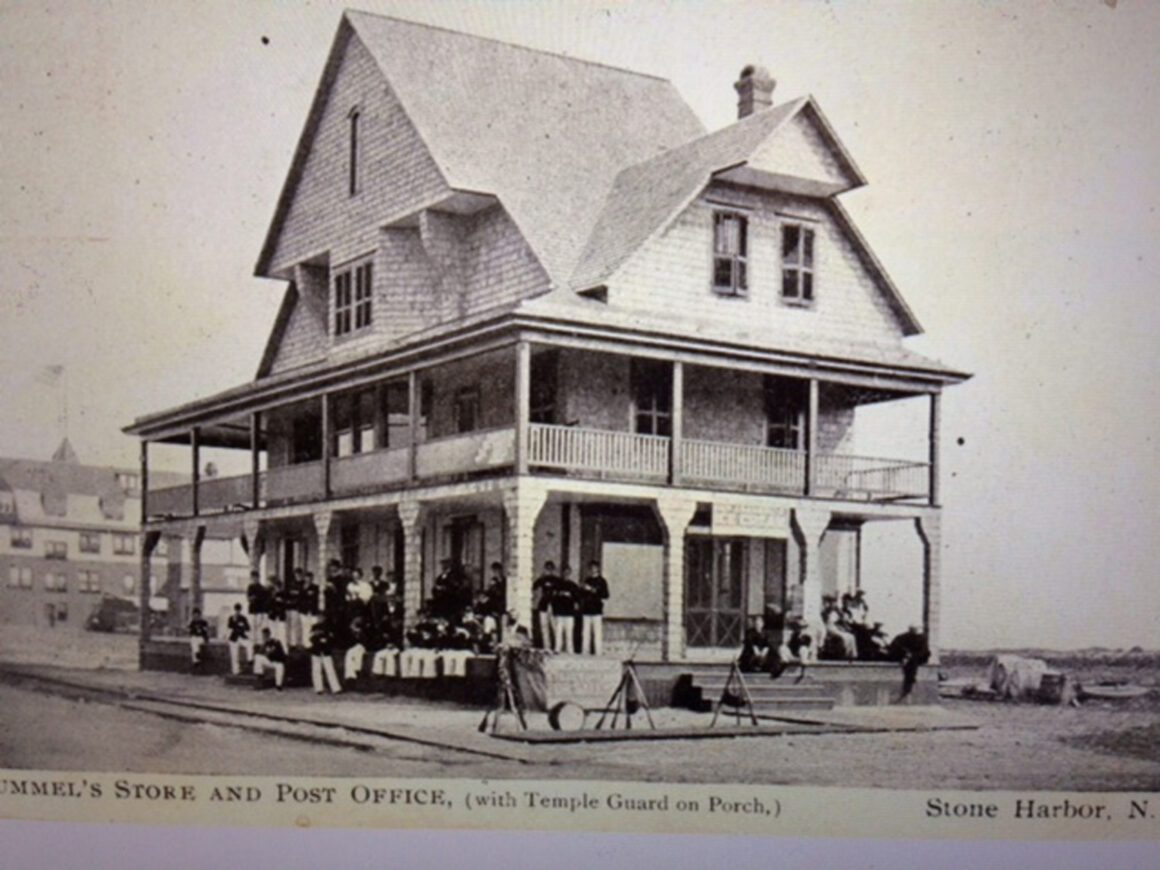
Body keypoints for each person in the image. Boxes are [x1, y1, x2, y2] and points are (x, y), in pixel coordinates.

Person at [888, 624, 931, 701]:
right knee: (910, 663)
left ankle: (909, 684)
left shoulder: (922, 638)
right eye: (912, 629)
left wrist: (912, 655)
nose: (914, 631)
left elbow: (924, 651)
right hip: (906, 657)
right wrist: (905, 654)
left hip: (917, 658)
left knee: (913, 662)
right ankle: (908, 684)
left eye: (915, 629)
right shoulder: (902, 637)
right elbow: (894, 645)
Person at [578, 560, 610, 655]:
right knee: (585, 632)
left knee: (597, 633)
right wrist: (582, 589)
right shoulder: (587, 580)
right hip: (587, 609)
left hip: (597, 610)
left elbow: (606, 595)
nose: (593, 570)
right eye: (591, 568)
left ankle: (598, 652)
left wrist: (592, 590)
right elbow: (582, 595)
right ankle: (585, 652)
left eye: (595, 568)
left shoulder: (602, 581)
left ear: (598, 569)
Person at [308, 618, 342, 695]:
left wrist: (323, 639)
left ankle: (336, 688)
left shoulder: (328, 628)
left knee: (330, 670)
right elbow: (311, 638)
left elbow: (331, 640)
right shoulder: (314, 627)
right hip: (316, 651)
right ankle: (318, 688)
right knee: (316, 670)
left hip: (326, 652)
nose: (320, 618)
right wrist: (320, 639)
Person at [550, 565, 579, 653]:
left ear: (570, 573)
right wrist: (560, 594)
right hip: (559, 612)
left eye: (568, 573)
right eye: (565, 573)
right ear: (562, 573)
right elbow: (553, 598)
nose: (566, 574)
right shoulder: (557, 585)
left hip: (569, 613)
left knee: (569, 633)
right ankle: (557, 648)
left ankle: (570, 650)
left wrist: (570, 596)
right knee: (558, 632)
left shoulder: (573, 585)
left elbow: (577, 599)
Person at [531, 561, 558, 649]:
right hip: (543, 604)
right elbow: (534, 586)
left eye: (550, 569)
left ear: (553, 570)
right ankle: (547, 646)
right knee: (544, 626)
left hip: (554, 604)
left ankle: (557, 646)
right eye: (547, 568)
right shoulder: (542, 579)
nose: (549, 571)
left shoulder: (556, 580)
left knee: (555, 626)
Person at [226, 603, 251, 676]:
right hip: (233, 638)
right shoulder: (231, 618)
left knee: (249, 644)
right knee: (234, 655)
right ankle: (235, 671)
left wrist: (242, 626)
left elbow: (248, 628)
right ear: (234, 610)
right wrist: (235, 622)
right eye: (236, 610)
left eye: (239, 610)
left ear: (241, 610)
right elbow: (229, 628)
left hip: (242, 637)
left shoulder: (243, 618)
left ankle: (250, 659)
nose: (237, 612)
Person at [297, 571, 320, 644]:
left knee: (313, 627)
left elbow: (317, 599)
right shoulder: (301, 588)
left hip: (313, 611)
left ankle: (313, 643)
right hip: (304, 610)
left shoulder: (316, 588)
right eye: (307, 579)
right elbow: (299, 598)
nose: (308, 580)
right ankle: (305, 643)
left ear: (312, 579)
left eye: (310, 579)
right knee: (304, 627)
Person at [245, 570, 268, 637]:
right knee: (252, 627)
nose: (254, 579)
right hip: (252, 610)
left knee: (259, 627)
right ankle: (254, 643)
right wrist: (253, 598)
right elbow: (248, 598)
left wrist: (255, 597)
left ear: (258, 578)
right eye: (253, 578)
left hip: (260, 610)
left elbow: (264, 599)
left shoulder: (262, 588)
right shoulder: (250, 587)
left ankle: (258, 642)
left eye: (255, 577)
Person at [267, 576, 288, 647]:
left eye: (279, 587)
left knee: (282, 634)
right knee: (273, 634)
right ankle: (274, 650)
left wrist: (281, 601)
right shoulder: (271, 595)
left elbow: (285, 605)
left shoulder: (284, 594)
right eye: (276, 586)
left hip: (281, 617)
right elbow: (268, 605)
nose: (277, 588)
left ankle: (284, 651)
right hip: (272, 617)